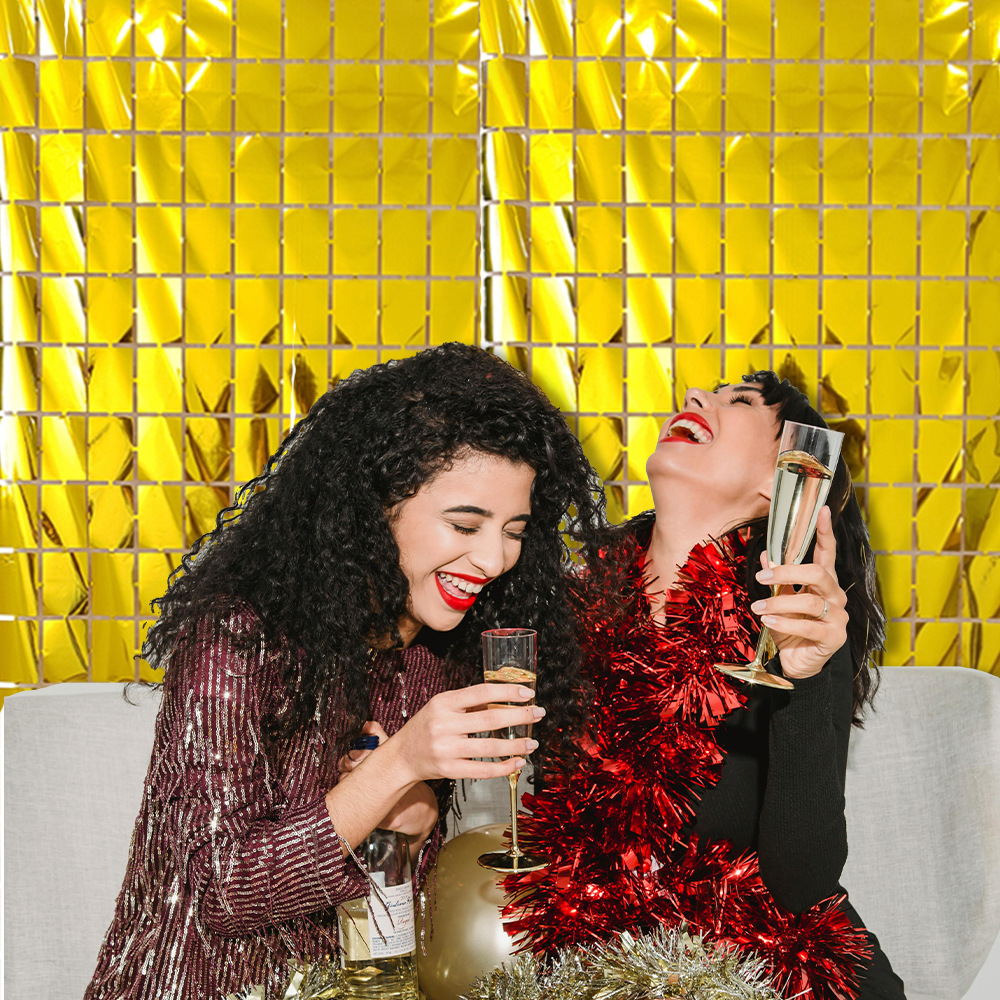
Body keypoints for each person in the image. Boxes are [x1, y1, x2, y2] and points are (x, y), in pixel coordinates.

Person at [85, 343, 607, 1000]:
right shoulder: (239, 636)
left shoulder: (435, 655)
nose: (495, 557)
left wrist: (405, 840)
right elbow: (220, 893)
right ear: (375, 505)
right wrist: (399, 766)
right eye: (465, 524)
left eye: (514, 530)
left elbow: (379, 921)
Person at [504, 372, 906, 1000]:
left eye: (739, 402)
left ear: (781, 482)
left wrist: (808, 677)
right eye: (705, 394)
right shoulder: (563, 617)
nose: (693, 400)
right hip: (611, 971)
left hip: (775, 979)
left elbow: (802, 884)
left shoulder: (798, 627)